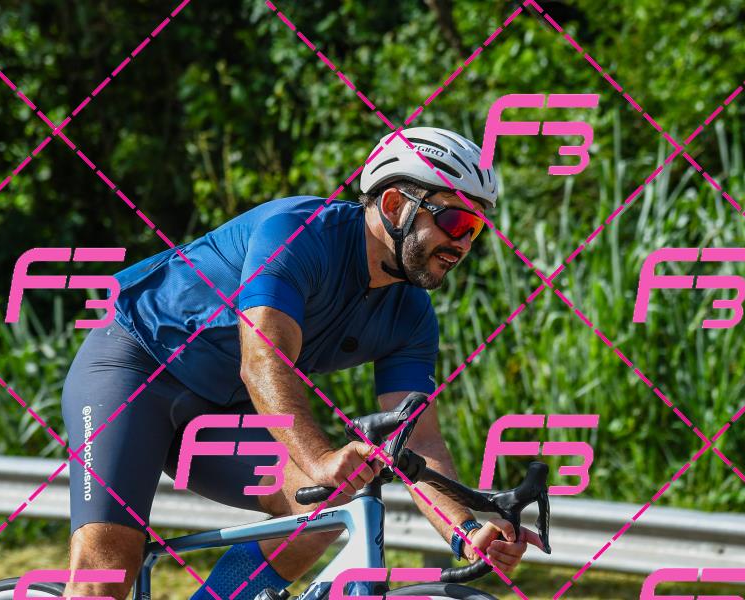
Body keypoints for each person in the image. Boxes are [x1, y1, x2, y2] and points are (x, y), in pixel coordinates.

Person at [61, 126, 546, 599]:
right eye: (456, 222)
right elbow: (262, 360)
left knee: (325, 506)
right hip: (134, 370)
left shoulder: (411, 315)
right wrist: (319, 458)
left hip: (224, 410)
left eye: (476, 229)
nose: (463, 244)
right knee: (104, 577)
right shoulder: (300, 233)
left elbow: (419, 440)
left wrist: (466, 531)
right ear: (394, 205)